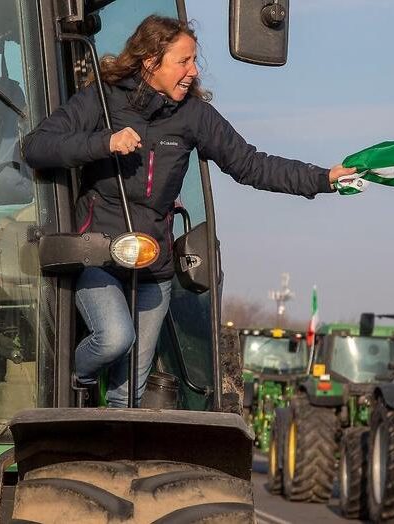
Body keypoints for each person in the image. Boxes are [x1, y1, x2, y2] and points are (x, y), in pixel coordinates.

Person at [23, 16, 356, 408]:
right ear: (150, 61)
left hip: (154, 266)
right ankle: (72, 381)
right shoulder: (103, 99)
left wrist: (323, 178)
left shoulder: (193, 116)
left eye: (194, 61)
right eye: (184, 61)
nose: (193, 71)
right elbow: (37, 146)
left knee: (129, 389)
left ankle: (111, 458)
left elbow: (253, 164)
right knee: (115, 338)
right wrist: (104, 142)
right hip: (98, 253)